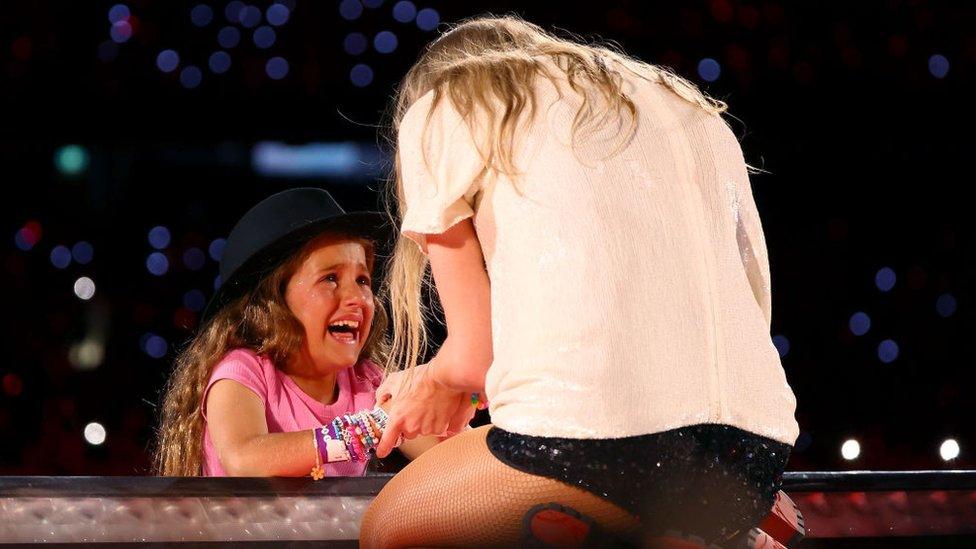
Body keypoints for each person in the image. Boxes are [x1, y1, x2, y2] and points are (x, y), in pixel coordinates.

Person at [361, 16, 799, 547]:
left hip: (596, 445)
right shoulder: (683, 100)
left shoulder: (446, 101)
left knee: (391, 529)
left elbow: (475, 354)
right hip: (752, 455)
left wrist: (434, 382)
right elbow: (755, 297)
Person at [153, 187, 439, 478]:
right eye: (330, 278)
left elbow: (449, 452)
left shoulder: (367, 383)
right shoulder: (243, 370)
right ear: (273, 301)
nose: (359, 298)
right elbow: (244, 457)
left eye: (362, 280)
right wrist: (369, 428)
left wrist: (455, 389)